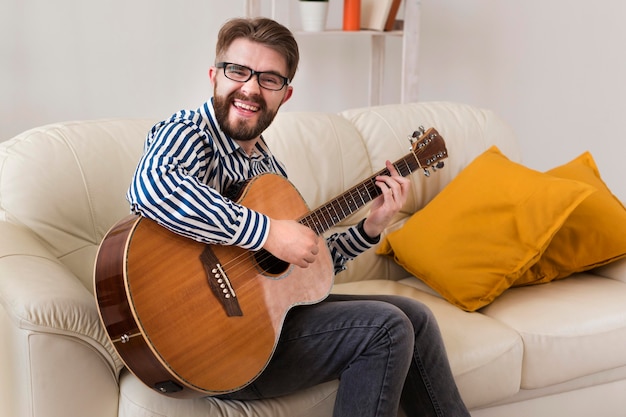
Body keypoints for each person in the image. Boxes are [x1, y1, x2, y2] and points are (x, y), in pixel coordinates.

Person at [127, 16, 470, 417]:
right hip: (212, 344)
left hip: (265, 326)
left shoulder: (268, 169)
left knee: (416, 316)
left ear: (285, 95)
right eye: (238, 71)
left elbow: (306, 270)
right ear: (214, 76)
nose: (251, 88)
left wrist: (370, 227)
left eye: (269, 79)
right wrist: (267, 232)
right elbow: (151, 187)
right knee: (386, 328)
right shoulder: (189, 132)